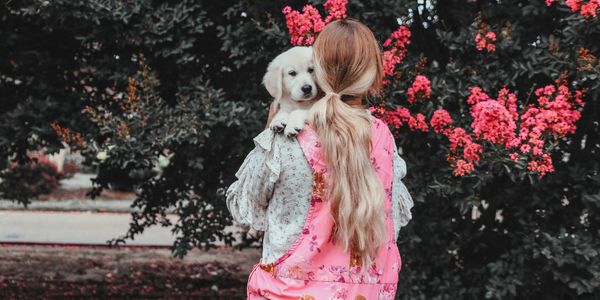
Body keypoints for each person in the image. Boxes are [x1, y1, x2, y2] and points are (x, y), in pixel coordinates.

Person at [226, 19, 414, 299]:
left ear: (321, 72)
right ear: (374, 75)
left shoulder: (286, 136)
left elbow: (244, 208)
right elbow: (394, 219)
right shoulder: (383, 138)